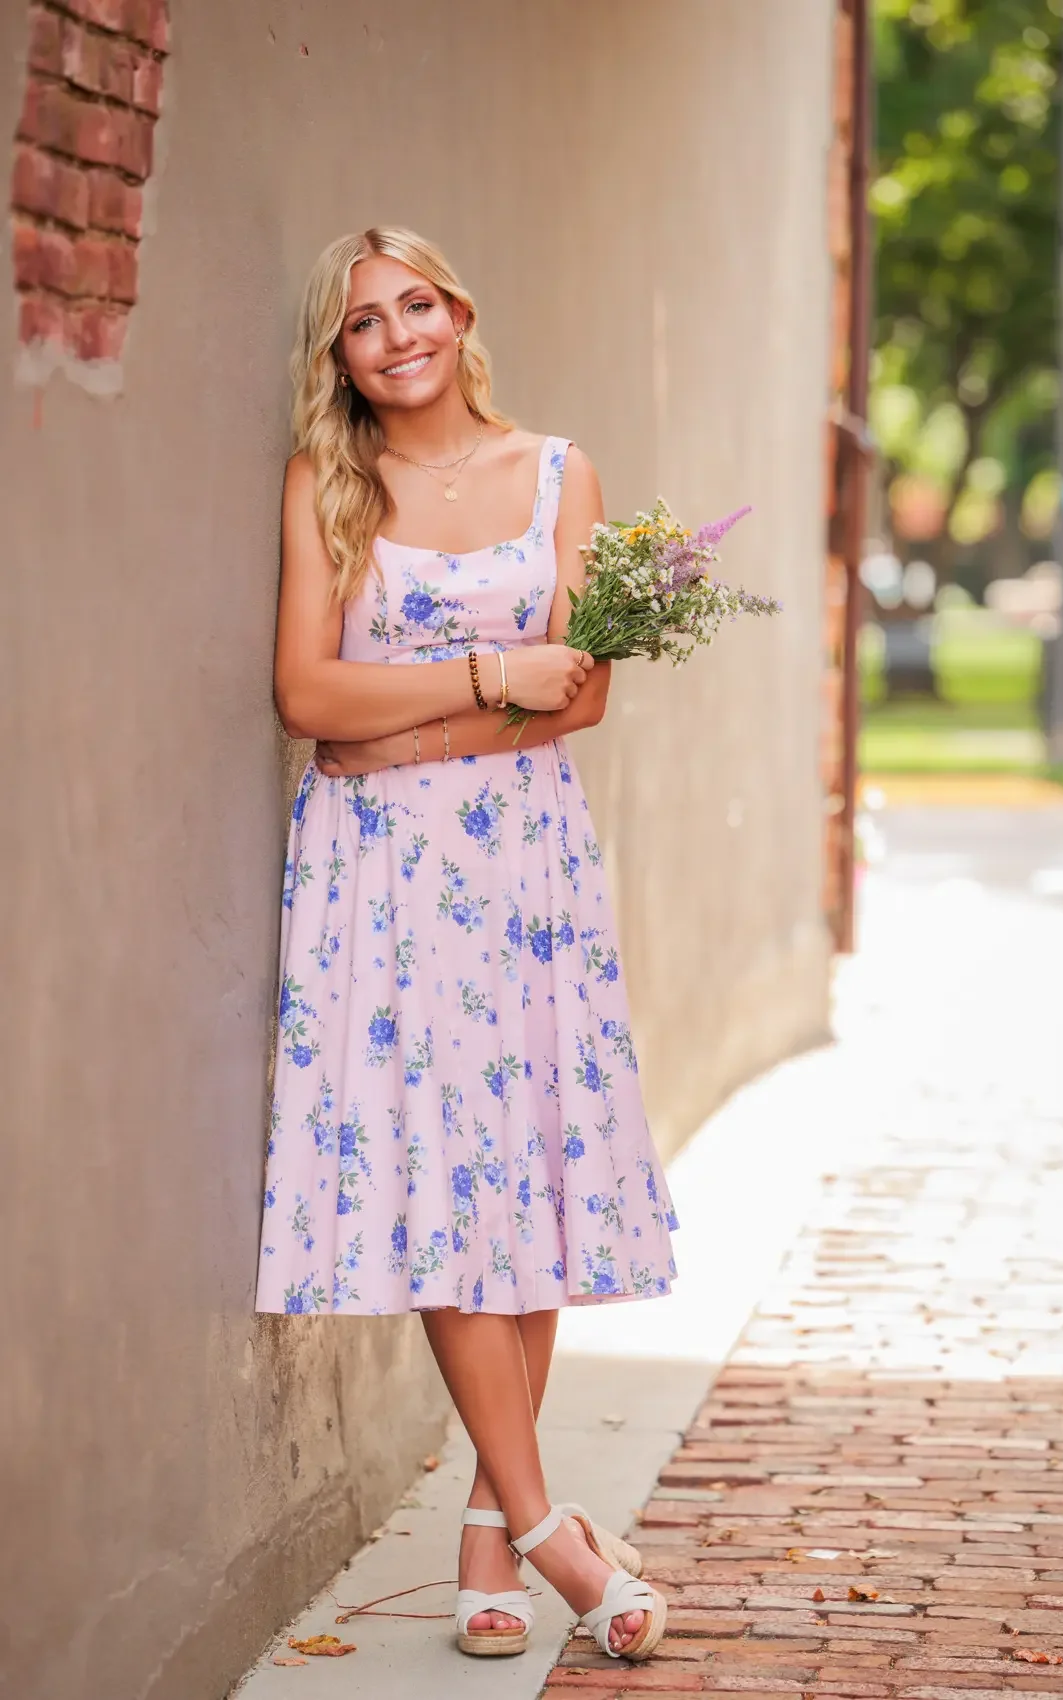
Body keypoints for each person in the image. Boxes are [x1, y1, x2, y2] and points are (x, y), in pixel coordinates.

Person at [255, 226, 678, 1663]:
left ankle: (492, 1533)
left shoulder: (562, 475)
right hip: (378, 880)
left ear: (461, 313)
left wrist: (424, 723)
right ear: (342, 358)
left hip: (525, 866)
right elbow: (310, 696)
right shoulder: (328, 483)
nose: (397, 336)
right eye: (364, 323)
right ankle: (555, 1529)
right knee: (445, 1178)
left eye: (415, 305)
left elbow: (581, 698)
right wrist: (489, 675)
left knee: (531, 1183)